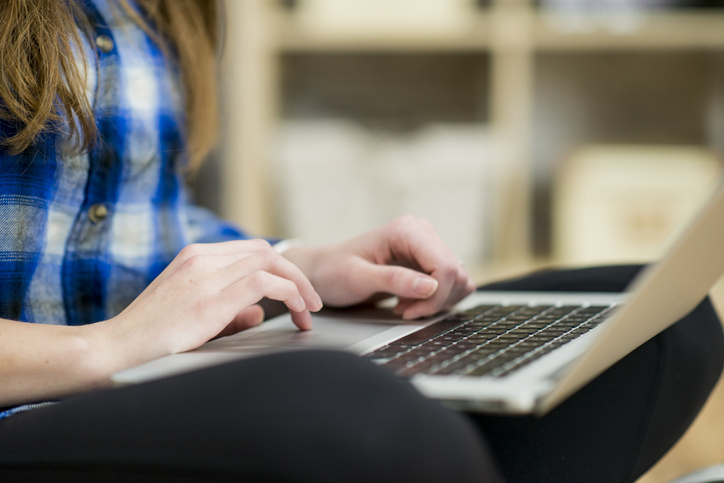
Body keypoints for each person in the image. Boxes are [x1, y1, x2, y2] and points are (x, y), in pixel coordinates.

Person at [0, 1, 721, 482]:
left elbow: (131, 221)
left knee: (654, 328)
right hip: (34, 403)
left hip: (150, 370)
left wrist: (303, 263)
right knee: (358, 412)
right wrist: (105, 349)